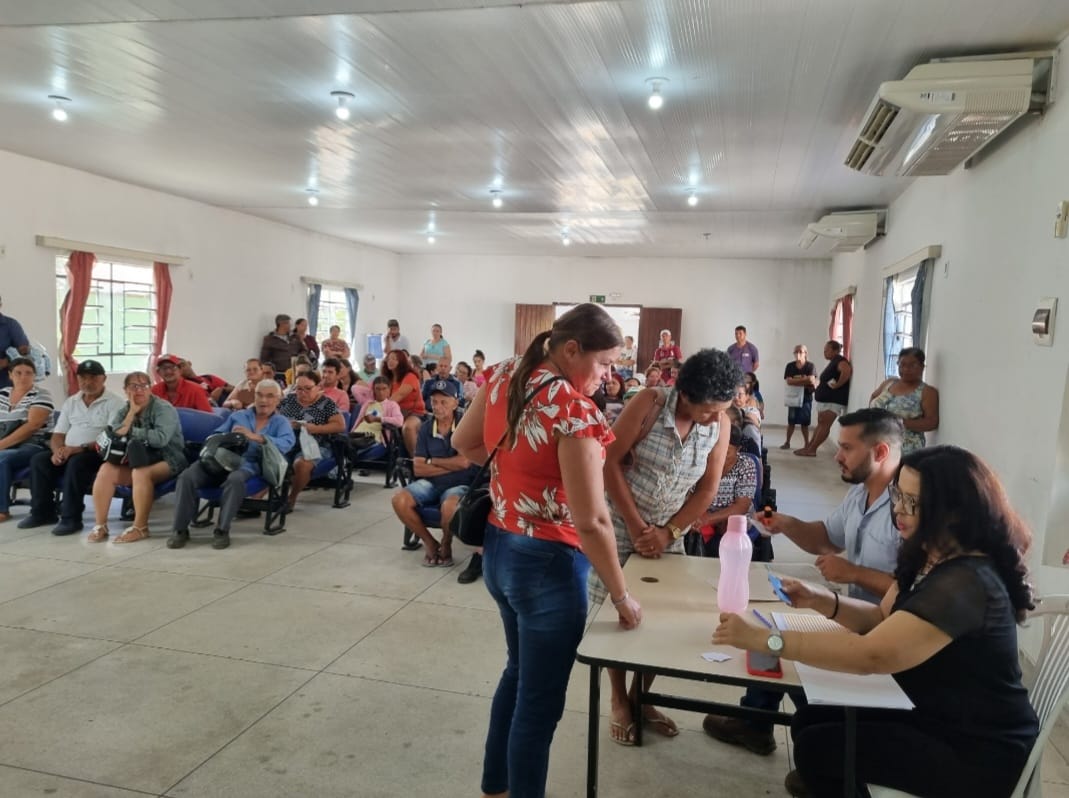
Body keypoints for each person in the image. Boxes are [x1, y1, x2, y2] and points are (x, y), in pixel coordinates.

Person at [713, 445, 1038, 798]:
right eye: (898, 496)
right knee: (810, 720)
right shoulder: (931, 553)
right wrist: (820, 599)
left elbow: (871, 655)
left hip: (976, 747)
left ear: (953, 511)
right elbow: (881, 617)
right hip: (934, 710)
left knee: (817, 749)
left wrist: (768, 640)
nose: (898, 510)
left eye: (913, 503)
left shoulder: (966, 582)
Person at [451, 303, 642, 798]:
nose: (608, 377)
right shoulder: (574, 411)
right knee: (539, 705)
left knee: (518, 674)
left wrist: (514, 476)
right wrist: (622, 597)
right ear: (572, 349)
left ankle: (496, 786)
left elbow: (463, 440)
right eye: (604, 364)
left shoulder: (503, 373)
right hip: (548, 566)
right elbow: (593, 521)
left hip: (499, 548)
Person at [702, 408, 903, 756]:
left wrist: (854, 573)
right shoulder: (862, 492)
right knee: (772, 628)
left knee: (783, 646)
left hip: (887, 631)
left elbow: (917, 594)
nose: (837, 455)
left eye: (847, 448)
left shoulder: (909, 510)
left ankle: (827, 747)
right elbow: (827, 539)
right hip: (855, 616)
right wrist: (787, 524)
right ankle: (758, 723)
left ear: (880, 451)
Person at [593, 348, 738, 747]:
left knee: (659, 617)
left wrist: (669, 532)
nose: (716, 418)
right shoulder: (649, 403)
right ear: (685, 395)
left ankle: (641, 697)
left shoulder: (720, 424)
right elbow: (609, 463)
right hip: (620, 523)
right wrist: (637, 526)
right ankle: (619, 699)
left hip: (668, 532)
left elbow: (707, 489)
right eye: (710, 410)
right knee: (618, 614)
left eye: (722, 410)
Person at [167, 379, 295, 550]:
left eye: (270, 396)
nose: (264, 400)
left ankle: (222, 530)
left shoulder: (281, 422)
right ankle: (179, 530)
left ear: (278, 399)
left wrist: (257, 437)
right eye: (260, 395)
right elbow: (216, 435)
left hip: (249, 463)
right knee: (186, 477)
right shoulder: (238, 416)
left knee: (235, 479)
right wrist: (228, 438)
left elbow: (287, 443)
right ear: (254, 396)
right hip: (220, 459)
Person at [19, 360, 123, 534]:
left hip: (98, 452)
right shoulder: (71, 402)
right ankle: (42, 512)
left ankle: (71, 518)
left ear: (103, 379)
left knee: (77, 463)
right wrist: (57, 451)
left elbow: (111, 437)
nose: (87, 382)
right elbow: (58, 434)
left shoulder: (115, 403)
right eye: (83, 378)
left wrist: (78, 448)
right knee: (39, 460)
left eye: (93, 378)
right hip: (69, 451)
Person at [89, 372, 187, 543]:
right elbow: (116, 433)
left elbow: (161, 439)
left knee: (140, 472)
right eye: (133, 386)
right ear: (125, 390)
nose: (139, 390)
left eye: (144, 386)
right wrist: (131, 413)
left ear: (150, 389)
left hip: (169, 459)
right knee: (106, 470)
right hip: (136, 459)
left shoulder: (163, 408)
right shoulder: (125, 409)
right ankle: (101, 525)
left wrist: (131, 431)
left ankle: (141, 528)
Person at [390, 380, 478, 567]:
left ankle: (446, 543)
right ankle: (430, 542)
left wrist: (432, 461)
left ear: (455, 403)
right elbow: (418, 468)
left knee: (449, 506)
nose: (437, 407)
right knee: (399, 500)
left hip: (460, 483)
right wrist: (450, 464)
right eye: (434, 402)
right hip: (430, 483)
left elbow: (464, 463)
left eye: (443, 402)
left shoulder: (466, 425)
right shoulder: (426, 427)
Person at [277, 370, 345, 511]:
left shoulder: (326, 403)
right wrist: (284, 424)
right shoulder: (288, 400)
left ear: (318, 386)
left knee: (302, 464)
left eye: (307, 388)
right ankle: (259, 498)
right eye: (299, 389)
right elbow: (271, 416)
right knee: (269, 458)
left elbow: (340, 425)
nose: (302, 393)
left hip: (315, 444)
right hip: (287, 443)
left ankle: (292, 497)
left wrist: (316, 428)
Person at [0, 357, 55, 522]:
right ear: (10, 375)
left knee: (1, 458)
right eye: (18, 373)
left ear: (34, 376)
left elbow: (32, 426)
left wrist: (1, 445)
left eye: (28, 373)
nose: (23, 377)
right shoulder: (3, 394)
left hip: (34, 444)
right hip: (6, 443)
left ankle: (2, 510)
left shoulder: (41, 395)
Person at [691, 425, 760, 556]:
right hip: (702, 514)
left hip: (733, 517)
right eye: (716, 450)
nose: (720, 456)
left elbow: (742, 506)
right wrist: (697, 516)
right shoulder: (703, 461)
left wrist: (708, 519)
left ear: (738, 450)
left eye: (727, 452)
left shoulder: (745, 465)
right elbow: (690, 494)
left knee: (724, 543)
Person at [869, 346, 939, 454]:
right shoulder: (889, 383)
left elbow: (932, 422)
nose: (906, 369)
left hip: (905, 450)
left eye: (912, 365)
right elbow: (874, 396)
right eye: (902, 365)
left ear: (922, 367)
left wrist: (900, 422)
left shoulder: (927, 391)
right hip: (876, 443)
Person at [795, 340, 852, 457]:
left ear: (835, 350)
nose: (824, 352)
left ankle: (812, 449)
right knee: (821, 423)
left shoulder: (840, 361)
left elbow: (846, 371)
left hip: (833, 400)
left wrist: (837, 385)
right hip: (826, 400)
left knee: (824, 425)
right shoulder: (833, 362)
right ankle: (809, 447)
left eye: (827, 350)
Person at [382, 350, 426, 455]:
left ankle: (415, 459)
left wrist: (379, 409)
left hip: (413, 413)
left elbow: (399, 396)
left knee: (408, 428)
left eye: (394, 359)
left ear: (402, 361)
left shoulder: (410, 376)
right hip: (395, 413)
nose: (390, 361)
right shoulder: (387, 378)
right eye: (389, 358)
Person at [351, 377, 403, 460]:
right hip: (357, 435)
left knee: (348, 452)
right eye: (377, 389)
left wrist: (378, 419)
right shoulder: (367, 402)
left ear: (389, 389)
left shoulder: (392, 405)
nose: (381, 392)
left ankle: (349, 457)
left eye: (384, 389)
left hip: (374, 438)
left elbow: (399, 421)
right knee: (342, 446)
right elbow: (355, 388)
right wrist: (371, 391)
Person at [781, 345, 817, 450]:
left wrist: (796, 381)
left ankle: (807, 444)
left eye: (800, 351)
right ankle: (787, 442)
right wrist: (804, 380)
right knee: (791, 421)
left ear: (805, 353)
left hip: (806, 398)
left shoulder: (810, 366)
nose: (798, 354)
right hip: (793, 397)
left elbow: (811, 380)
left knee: (805, 423)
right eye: (795, 352)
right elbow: (789, 381)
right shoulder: (790, 366)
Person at [0, 296, 30, 390]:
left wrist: (6, 361)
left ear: (0, 305)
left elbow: (25, 352)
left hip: (6, 386)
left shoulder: (11, 325)